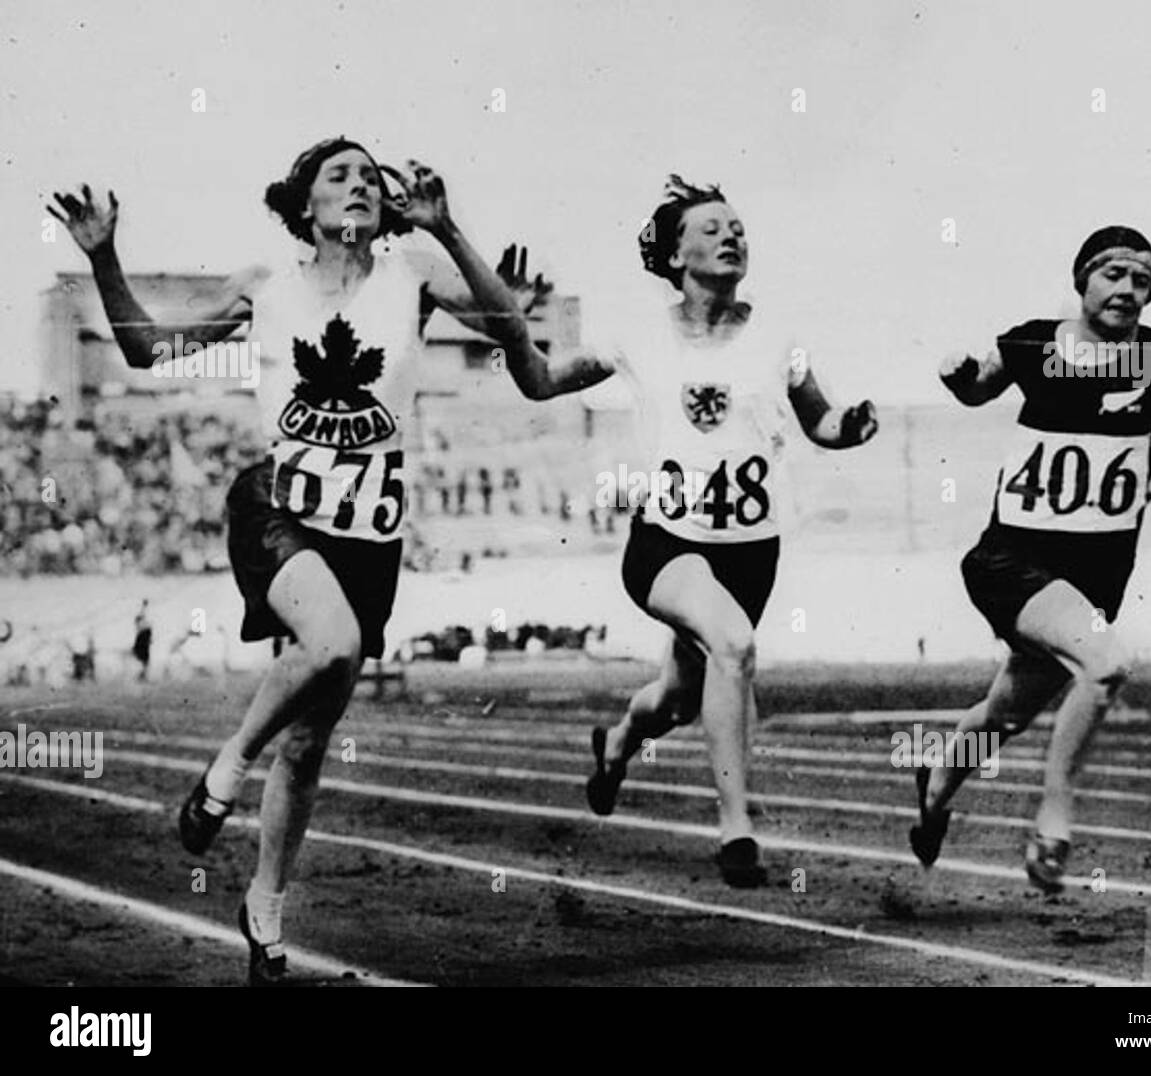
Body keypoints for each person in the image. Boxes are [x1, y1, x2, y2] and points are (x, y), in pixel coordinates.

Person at [49, 136, 539, 983]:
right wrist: (105, 257)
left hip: (367, 538)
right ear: (303, 203)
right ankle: (225, 767)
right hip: (276, 510)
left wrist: (451, 230)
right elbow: (143, 351)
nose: (357, 186)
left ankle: (265, 909)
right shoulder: (263, 284)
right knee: (335, 644)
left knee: (310, 742)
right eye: (336, 175)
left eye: (369, 178)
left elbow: (509, 329)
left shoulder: (412, 276)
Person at [497, 175, 879, 885]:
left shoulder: (777, 338)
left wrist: (849, 426)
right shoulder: (638, 336)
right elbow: (542, 381)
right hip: (669, 543)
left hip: (750, 552)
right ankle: (737, 830)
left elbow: (818, 420)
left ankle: (616, 745)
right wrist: (512, 326)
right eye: (709, 228)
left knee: (676, 695)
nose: (731, 235)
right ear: (673, 256)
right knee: (734, 646)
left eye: (737, 226)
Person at [916, 226, 1151, 892]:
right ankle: (1053, 818)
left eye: (1141, 280)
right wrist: (956, 372)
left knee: (1004, 714)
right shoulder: (1031, 341)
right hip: (1011, 558)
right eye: (1112, 273)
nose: (1127, 289)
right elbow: (975, 389)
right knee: (1106, 666)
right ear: (1081, 281)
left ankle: (934, 789)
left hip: (1095, 578)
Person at [131, 600, 152, 682]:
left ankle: (142, 676)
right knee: (144, 662)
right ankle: (141, 677)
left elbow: (142, 614)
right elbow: (142, 614)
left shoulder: (141, 627)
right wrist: (144, 606)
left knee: (145, 662)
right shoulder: (141, 626)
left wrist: (144, 606)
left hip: (143, 645)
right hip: (142, 645)